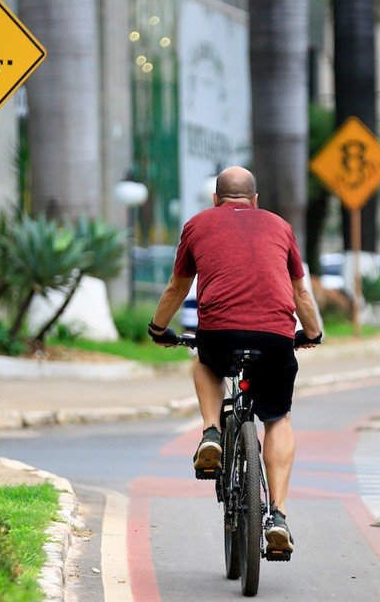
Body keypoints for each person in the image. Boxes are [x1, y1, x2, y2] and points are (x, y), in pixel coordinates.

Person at [148, 166, 322, 556]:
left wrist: (159, 329)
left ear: (215, 199)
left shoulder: (197, 224)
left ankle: (211, 433)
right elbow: (300, 293)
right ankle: (276, 516)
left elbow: (178, 286)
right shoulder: (279, 226)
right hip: (275, 337)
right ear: (255, 200)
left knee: (204, 361)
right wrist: (312, 334)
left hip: (220, 335)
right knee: (277, 418)